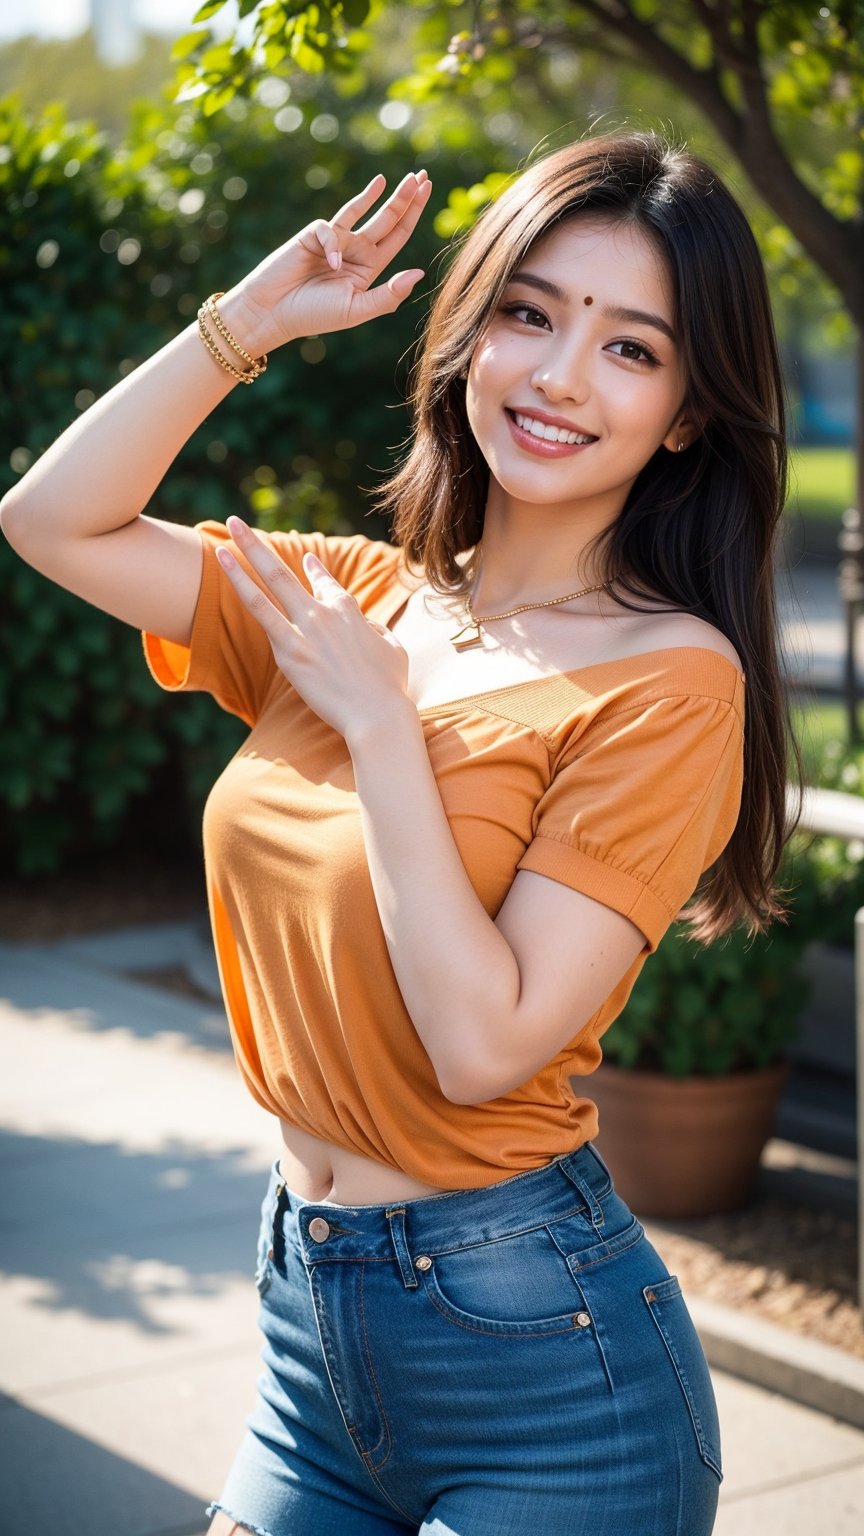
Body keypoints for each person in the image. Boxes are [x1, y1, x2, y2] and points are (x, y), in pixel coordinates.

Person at [1, 129, 795, 1535]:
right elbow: (53, 519)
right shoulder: (346, 599)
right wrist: (241, 325)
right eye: (529, 313)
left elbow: (485, 1045)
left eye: (630, 347)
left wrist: (384, 736)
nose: (556, 375)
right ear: (471, 335)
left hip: (545, 1365)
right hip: (309, 1318)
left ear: (685, 412)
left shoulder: (673, 681)